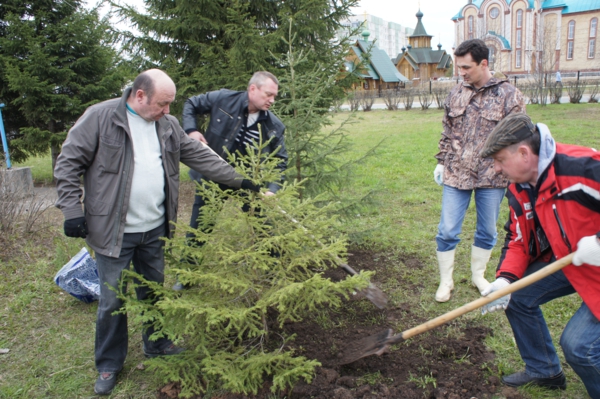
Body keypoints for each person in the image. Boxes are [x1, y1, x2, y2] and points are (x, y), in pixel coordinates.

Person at [54, 69, 258, 395]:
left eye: (170, 104)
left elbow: (199, 154)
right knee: (111, 300)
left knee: (153, 291)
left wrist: (238, 179)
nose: (167, 110)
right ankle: (108, 364)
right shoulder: (101, 118)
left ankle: (157, 342)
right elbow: (68, 163)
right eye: (162, 104)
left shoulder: (167, 125)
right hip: (113, 231)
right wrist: (72, 211)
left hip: (154, 229)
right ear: (139, 96)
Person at [479, 113, 600, 395]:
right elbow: (518, 239)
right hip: (575, 261)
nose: (496, 169)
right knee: (518, 297)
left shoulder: (583, 169)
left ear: (523, 153)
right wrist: (505, 281)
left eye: (499, 160)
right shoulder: (520, 188)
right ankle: (543, 370)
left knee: (580, 347)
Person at [432, 39, 525, 302]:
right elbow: (447, 130)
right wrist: (441, 160)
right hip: (456, 172)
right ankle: (446, 281)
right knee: (447, 230)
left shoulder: (509, 95)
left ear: (484, 63)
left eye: (466, 67)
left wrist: (509, 168)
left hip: (492, 175)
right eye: (458, 66)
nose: (461, 72)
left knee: (487, 230)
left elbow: (519, 137)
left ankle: (478, 275)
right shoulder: (455, 93)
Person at [176, 71, 287, 288]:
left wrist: (272, 188)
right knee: (200, 226)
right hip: (213, 176)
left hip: (247, 183)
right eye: (268, 94)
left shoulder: (274, 126)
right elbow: (191, 103)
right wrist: (191, 130)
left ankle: (275, 272)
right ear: (252, 89)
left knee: (263, 225)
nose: (272, 100)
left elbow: (280, 162)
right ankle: (186, 276)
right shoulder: (223, 99)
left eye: (275, 96)